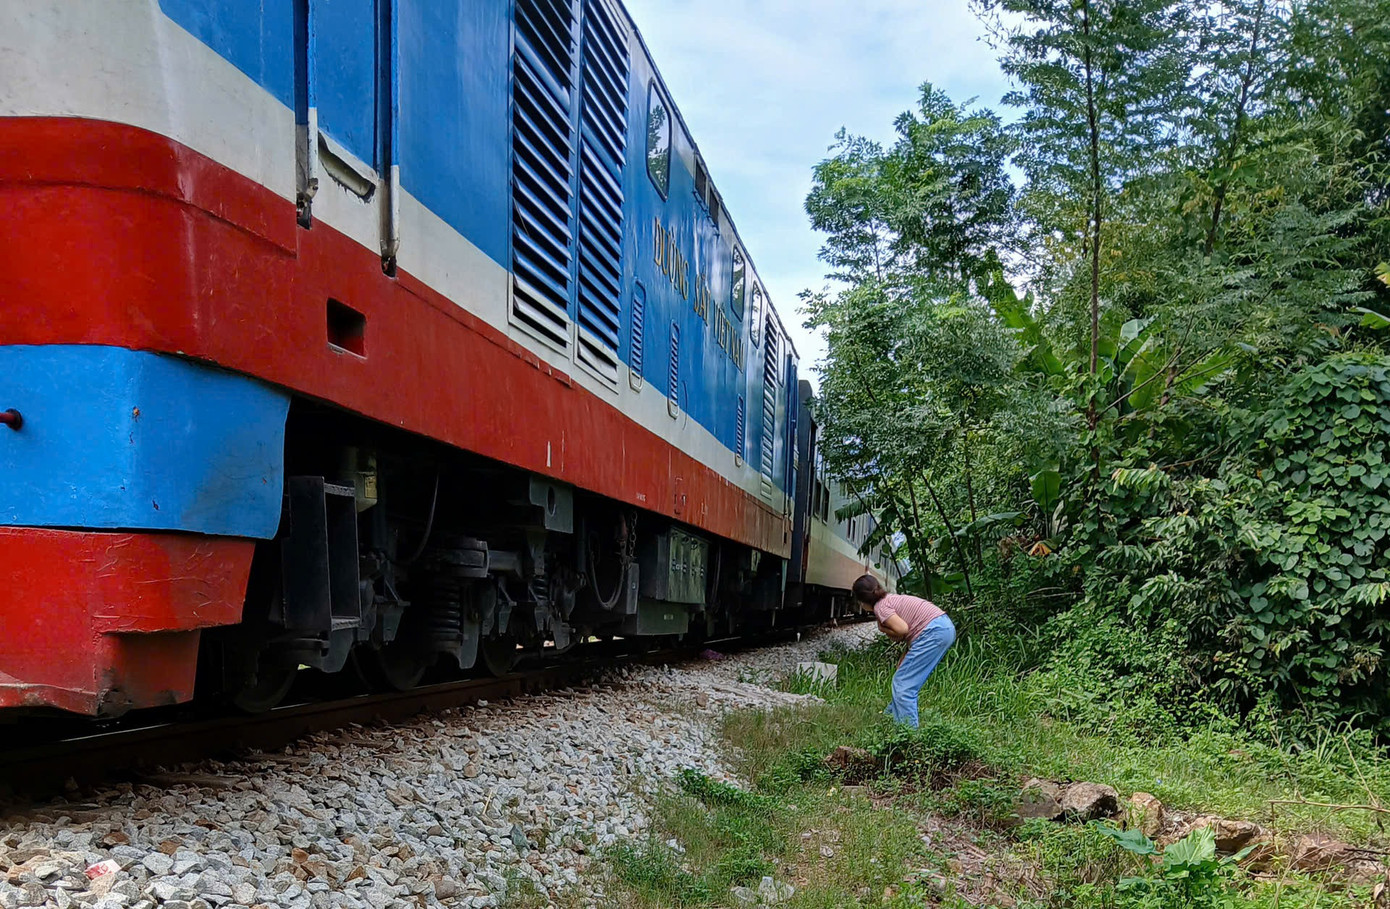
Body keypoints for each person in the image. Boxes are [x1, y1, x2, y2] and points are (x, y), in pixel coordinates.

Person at [852, 575, 955, 729]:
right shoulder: (890, 599)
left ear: (862, 600)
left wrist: (882, 628)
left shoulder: (881, 607)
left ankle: (909, 738)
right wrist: (907, 652)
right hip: (942, 628)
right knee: (903, 678)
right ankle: (888, 724)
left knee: (903, 685)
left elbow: (902, 629)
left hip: (933, 632)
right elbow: (913, 629)